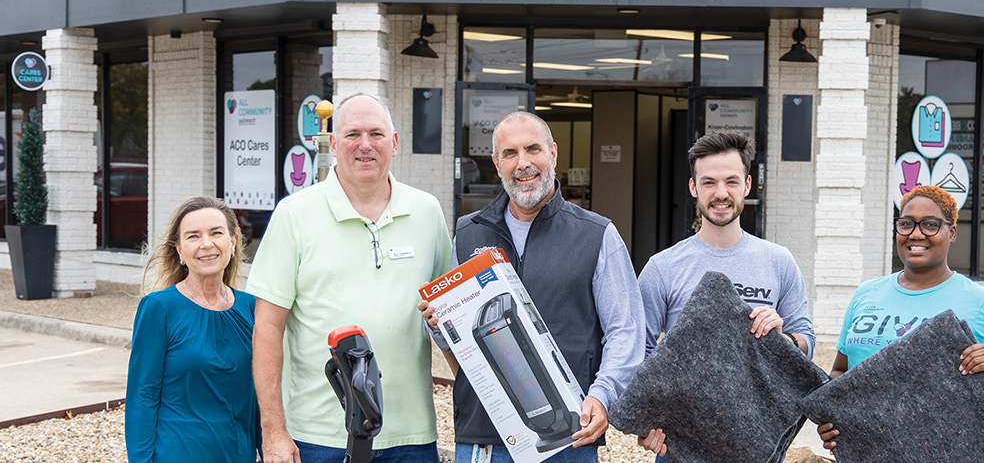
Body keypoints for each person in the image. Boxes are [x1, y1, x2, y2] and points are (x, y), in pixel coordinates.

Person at [420, 111, 645, 463]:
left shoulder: (596, 235)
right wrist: (437, 322)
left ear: (553, 154)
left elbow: (625, 330)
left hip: (569, 434)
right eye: (510, 154)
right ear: (497, 164)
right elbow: (451, 337)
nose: (523, 164)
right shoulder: (468, 233)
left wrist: (602, 395)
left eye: (533, 149)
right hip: (485, 434)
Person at [248, 94, 452, 463]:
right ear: (334, 144)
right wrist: (273, 430)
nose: (365, 145)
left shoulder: (427, 211)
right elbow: (267, 327)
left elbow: (447, 316)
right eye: (352, 134)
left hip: (411, 434)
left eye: (376, 133)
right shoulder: (294, 214)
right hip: (319, 437)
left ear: (393, 142)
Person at [635, 131, 816, 460]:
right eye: (709, 183)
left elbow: (806, 340)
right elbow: (639, 353)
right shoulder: (662, 268)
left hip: (757, 443)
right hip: (682, 448)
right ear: (693, 189)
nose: (721, 193)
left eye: (731, 182)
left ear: (747, 185)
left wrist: (784, 339)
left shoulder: (778, 261)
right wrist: (649, 421)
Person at [817, 184, 984, 451]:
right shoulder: (867, 293)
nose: (916, 234)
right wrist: (834, 415)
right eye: (906, 224)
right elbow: (841, 371)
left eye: (930, 225)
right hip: (865, 451)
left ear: (951, 233)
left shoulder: (979, 303)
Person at [125, 196, 260, 463]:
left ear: (232, 243)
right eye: (193, 236)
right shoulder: (159, 308)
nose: (206, 244)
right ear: (179, 250)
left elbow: (259, 397)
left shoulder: (252, 309)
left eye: (216, 233)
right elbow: (143, 394)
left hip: (238, 454)